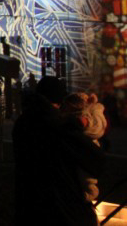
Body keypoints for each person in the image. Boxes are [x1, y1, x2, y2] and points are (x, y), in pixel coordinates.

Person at [13, 76, 105, 225]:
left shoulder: (22, 122)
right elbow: (95, 159)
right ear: (59, 101)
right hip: (63, 209)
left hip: (28, 206)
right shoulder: (59, 125)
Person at [60, 92, 108, 201]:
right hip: (83, 153)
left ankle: (89, 194)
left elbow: (96, 128)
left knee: (87, 177)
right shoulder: (79, 116)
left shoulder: (89, 115)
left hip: (87, 152)